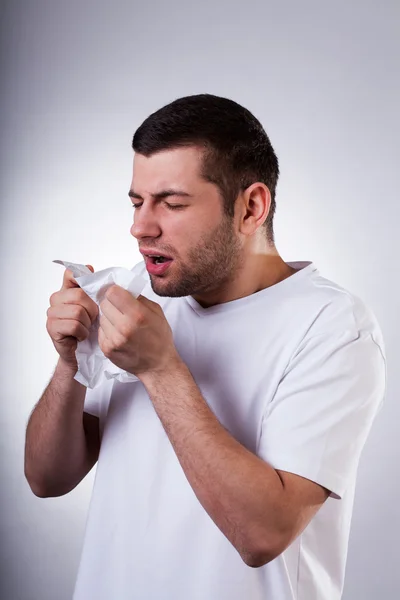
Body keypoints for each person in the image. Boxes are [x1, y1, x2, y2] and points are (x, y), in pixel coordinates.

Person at [25, 94, 386, 600]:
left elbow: (262, 535)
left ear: (251, 207)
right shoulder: (134, 294)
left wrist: (161, 369)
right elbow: (46, 478)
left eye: (171, 204)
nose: (140, 227)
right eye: (136, 201)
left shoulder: (332, 327)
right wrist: (70, 365)